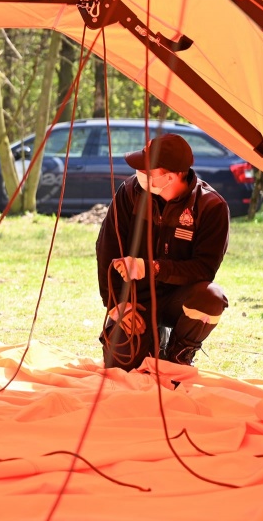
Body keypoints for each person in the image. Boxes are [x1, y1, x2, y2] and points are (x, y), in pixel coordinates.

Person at [96, 133, 230, 370]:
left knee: (211, 297)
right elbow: (107, 249)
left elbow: (203, 269)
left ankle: (178, 354)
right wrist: (117, 304)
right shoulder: (129, 193)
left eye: (149, 171)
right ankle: (150, 342)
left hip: (178, 299)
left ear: (174, 175)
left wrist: (152, 268)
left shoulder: (211, 207)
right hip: (136, 300)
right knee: (121, 366)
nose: (141, 175)